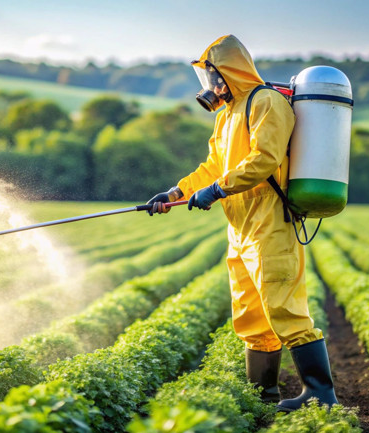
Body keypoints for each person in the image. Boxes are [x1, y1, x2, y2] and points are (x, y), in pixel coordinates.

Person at [145, 34, 338, 412]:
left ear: (229, 71)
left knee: (284, 307)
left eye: (212, 76)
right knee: (250, 313)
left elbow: (263, 159)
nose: (210, 86)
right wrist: (175, 193)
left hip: (270, 221)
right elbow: (213, 167)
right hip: (240, 227)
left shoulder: (267, 102)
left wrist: (217, 190)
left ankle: (321, 394)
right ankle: (262, 394)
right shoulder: (225, 117)